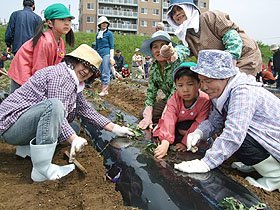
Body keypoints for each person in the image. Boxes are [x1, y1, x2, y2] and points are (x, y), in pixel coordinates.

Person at [0, 44, 134, 182]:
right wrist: (73, 139)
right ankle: (42, 169)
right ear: (75, 61)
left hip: (20, 123)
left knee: (72, 127)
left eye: (91, 69)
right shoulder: (61, 77)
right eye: (84, 64)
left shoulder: (73, 81)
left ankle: (26, 149)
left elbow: (86, 110)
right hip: (11, 126)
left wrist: (115, 128)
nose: (86, 71)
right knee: (55, 106)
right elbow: (55, 111)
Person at [174, 49, 280, 192]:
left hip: (275, 141)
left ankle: (275, 175)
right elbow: (214, 121)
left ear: (225, 77)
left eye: (208, 81)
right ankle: (259, 163)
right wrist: (198, 132)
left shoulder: (242, 92)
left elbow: (234, 133)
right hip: (263, 136)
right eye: (201, 80)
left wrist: (206, 163)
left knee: (237, 138)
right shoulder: (223, 92)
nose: (204, 87)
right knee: (226, 132)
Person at [166, 0, 262, 76]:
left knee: (235, 87)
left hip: (245, 55)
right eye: (173, 13)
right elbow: (182, 50)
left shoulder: (211, 17)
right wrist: (173, 53)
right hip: (223, 64)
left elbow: (233, 39)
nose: (177, 13)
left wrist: (228, 64)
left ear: (188, 8)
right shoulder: (185, 37)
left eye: (179, 9)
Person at [7, 3, 75, 94]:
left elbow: (56, 68)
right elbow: (39, 71)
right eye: (62, 19)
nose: (67, 23)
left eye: (69, 20)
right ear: (50, 23)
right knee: (17, 104)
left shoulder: (61, 42)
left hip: (36, 76)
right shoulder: (45, 41)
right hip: (23, 73)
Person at [153, 62, 211, 159]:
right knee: (166, 126)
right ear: (176, 86)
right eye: (180, 85)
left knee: (191, 132)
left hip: (190, 126)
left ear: (199, 84)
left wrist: (185, 143)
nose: (185, 89)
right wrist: (165, 141)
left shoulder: (204, 100)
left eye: (190, 84)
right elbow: (169, 118)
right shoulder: (174, 99)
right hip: (176, 124)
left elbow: (199, 122)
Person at [138, 30, 190, 130]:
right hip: (169, 101)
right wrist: (148, 113)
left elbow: (184, 50)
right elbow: (151, 92)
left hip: (185, 101)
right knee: (143, 115)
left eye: (163, 46)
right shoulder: (154, 69)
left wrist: (174, 53)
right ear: (151, 51)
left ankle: (178, 122)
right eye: (155, 47)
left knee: (181, 126)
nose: (159, 50)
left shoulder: (176, 62)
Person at [95, 16, 115, 96]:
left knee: (105, 71)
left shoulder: (109, 34)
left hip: (106, 53)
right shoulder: (98, 34)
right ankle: (104, 89)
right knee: (100, 71)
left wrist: (111, 57)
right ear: (99, 24)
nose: (104, 24)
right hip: (99, 54)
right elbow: (96, 47)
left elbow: (112, 46)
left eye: (105, 23)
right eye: (102, 23)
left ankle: (104, 90)